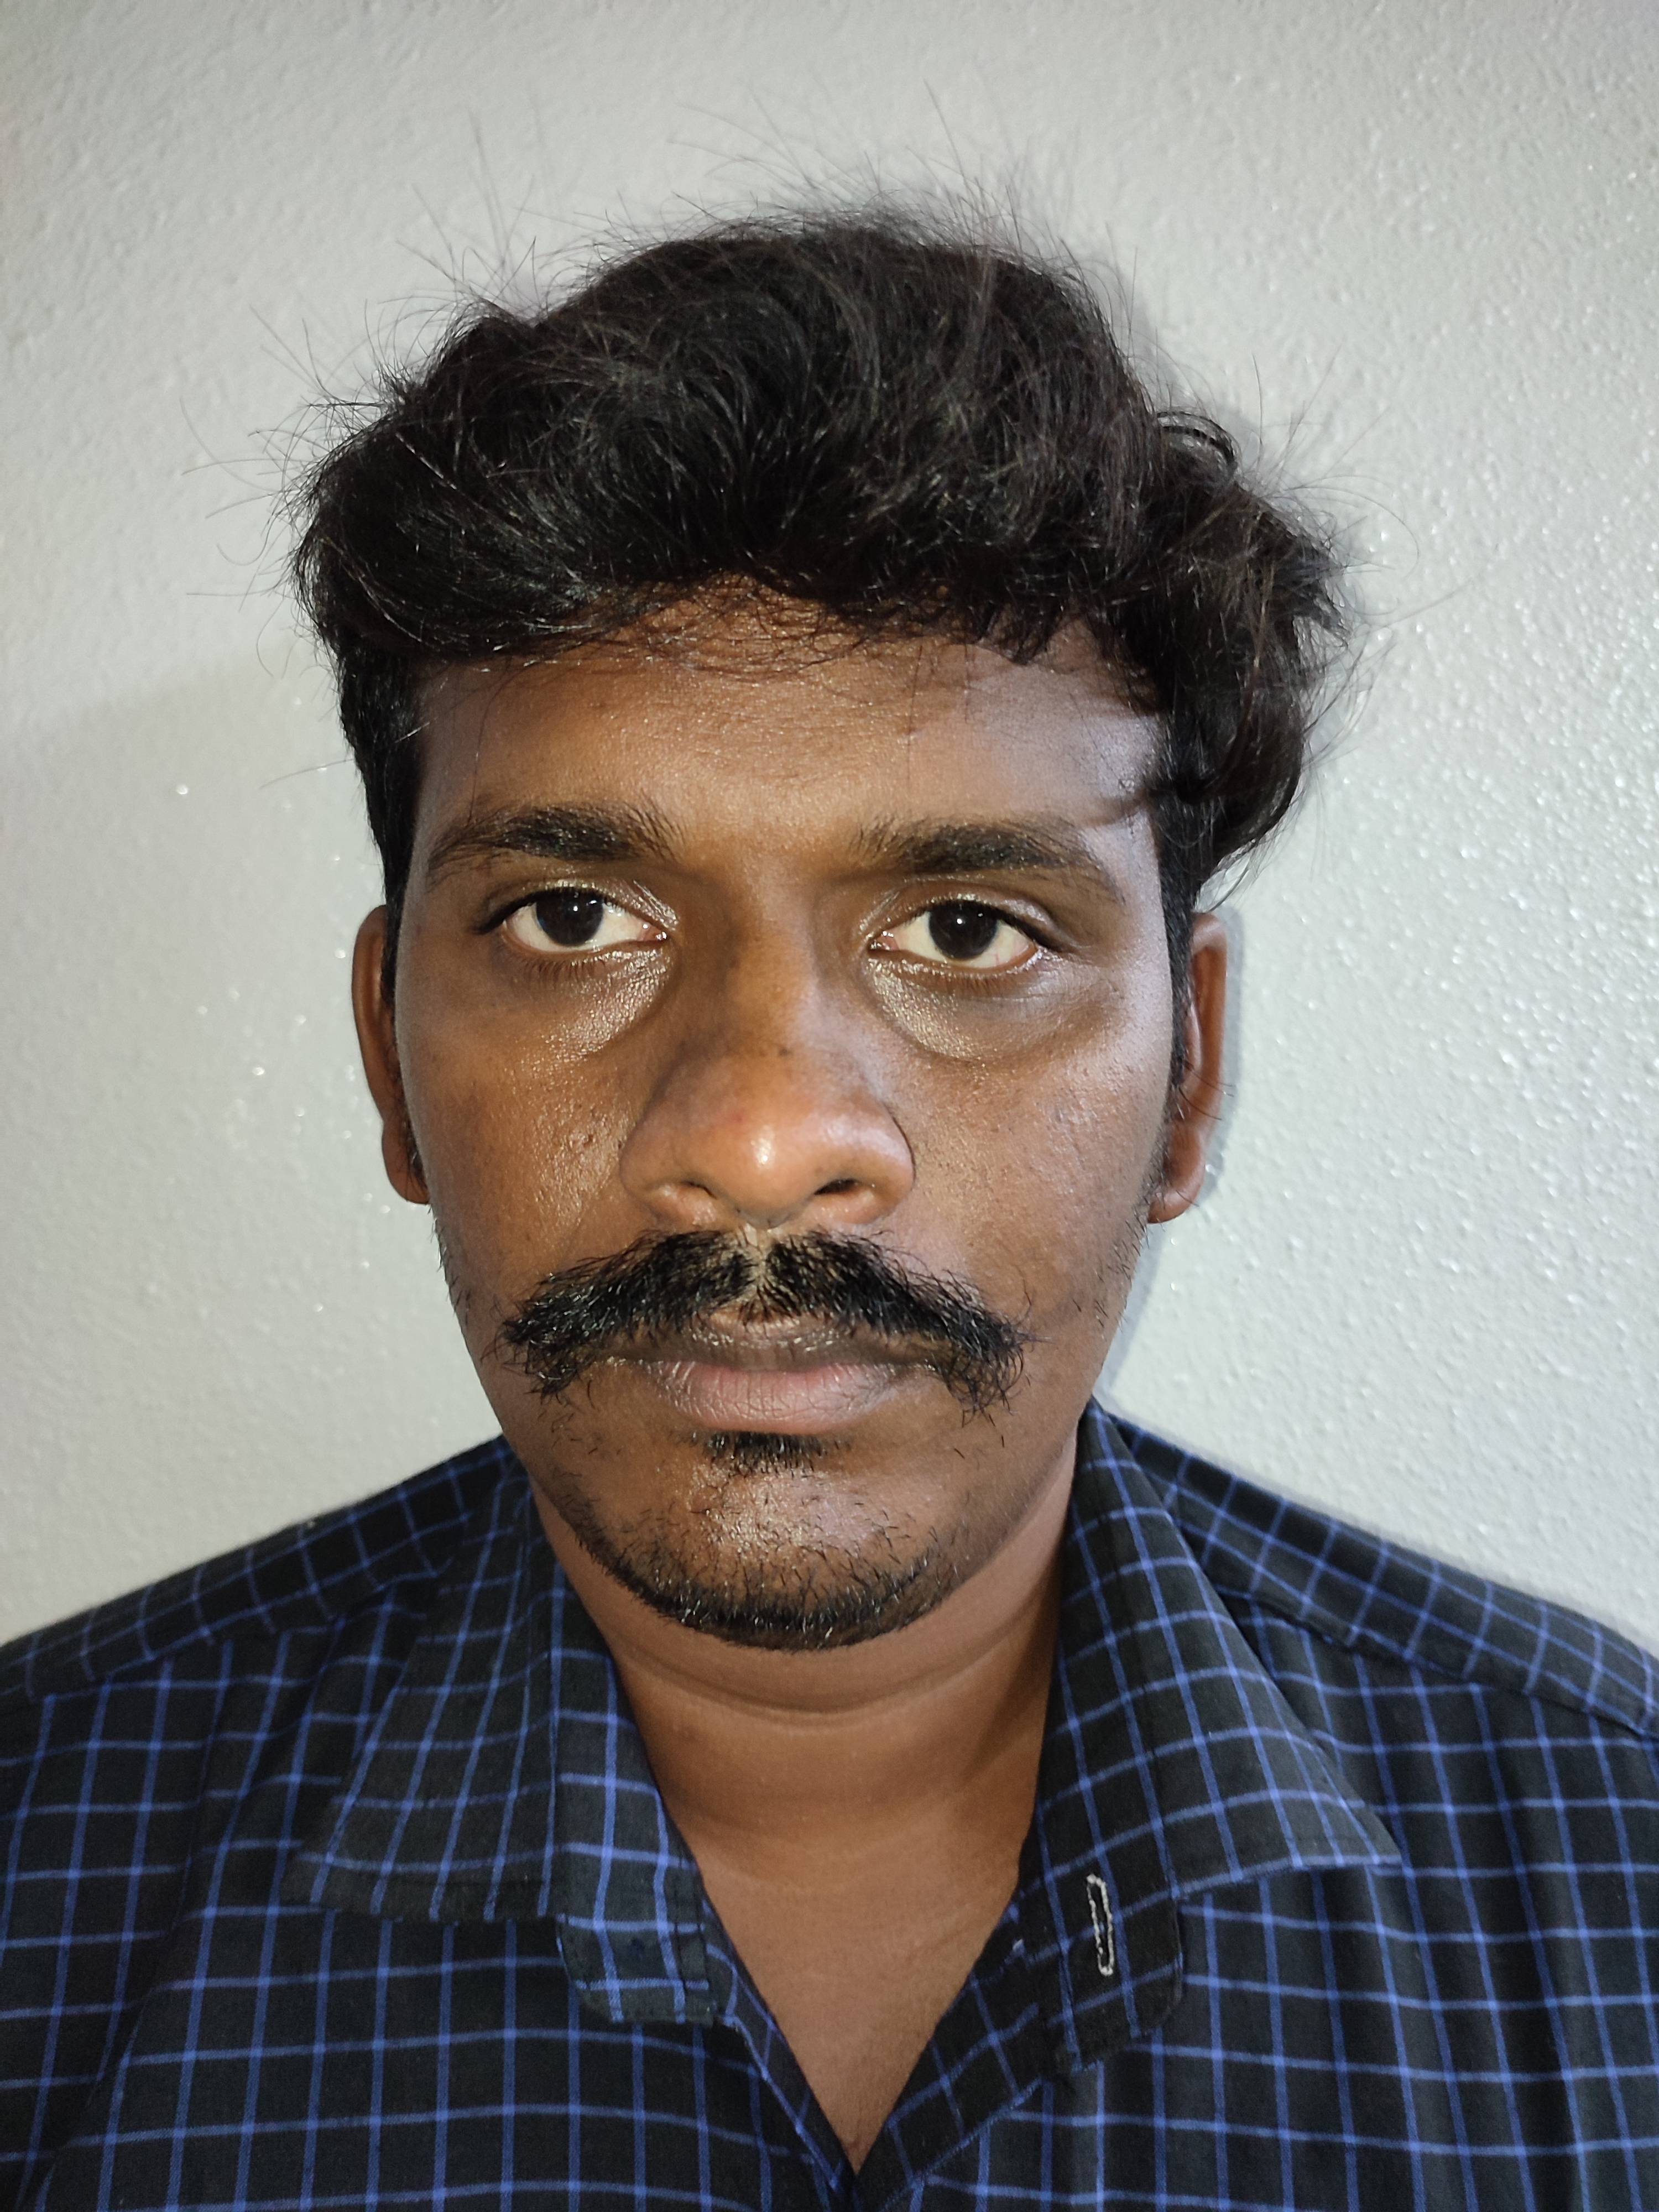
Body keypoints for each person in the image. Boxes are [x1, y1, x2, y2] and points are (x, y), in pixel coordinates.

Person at [2, 206, 1655, 2212]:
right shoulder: (42, 1876)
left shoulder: (1614, 1871)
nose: (768, 1140)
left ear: (1191, 1073)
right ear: (387, 1056)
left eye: (965, 931)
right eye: (575, 919)